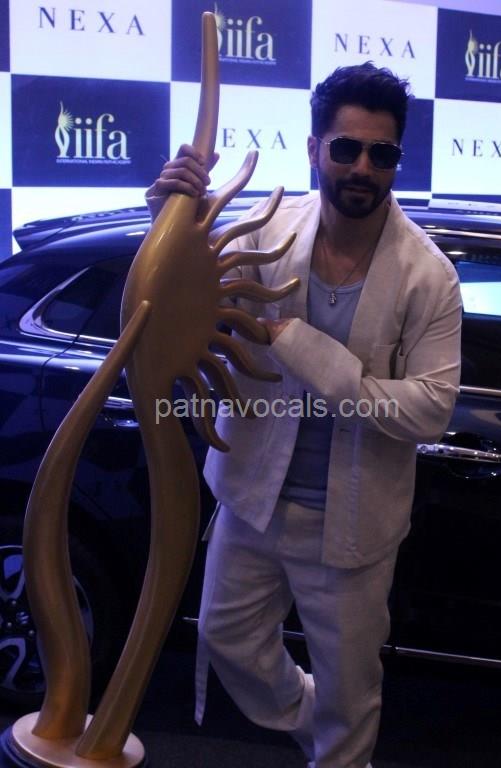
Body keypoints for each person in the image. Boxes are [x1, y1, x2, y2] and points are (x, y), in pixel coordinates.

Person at [146, 62, 462, 768]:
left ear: (397, 160)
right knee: (228, 642)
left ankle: (342, 744)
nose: (362, 168)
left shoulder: (428, 275)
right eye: (346, 148)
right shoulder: (266, 233)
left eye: (381, 153)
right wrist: (165, 215)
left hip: (352, 527)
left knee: (351, 696)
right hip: (252, 502)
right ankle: (327, 728)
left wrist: (308, 352)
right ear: (316, 146)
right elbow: (179, 291)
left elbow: (431, 409)